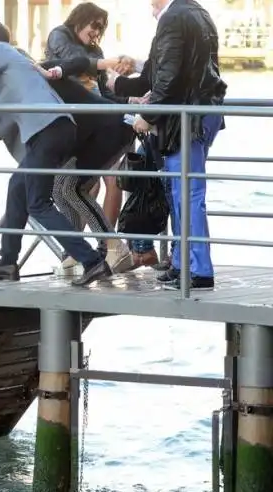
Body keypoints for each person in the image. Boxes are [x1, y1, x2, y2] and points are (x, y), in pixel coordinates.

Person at [0, 20, 110, 286]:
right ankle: (8, 262)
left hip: (49, 131)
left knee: (38, 203)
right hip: (55, 130)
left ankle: (91, 260)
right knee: (17, 187)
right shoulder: (8, 71)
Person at [108, 0, 226, 290]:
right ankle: (182, 263)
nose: (150, 8)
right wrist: (120, 81)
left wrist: (147, 117)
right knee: (180, 192)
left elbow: (170, 78)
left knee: (186, 194)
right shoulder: (197, 12)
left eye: (151, 3)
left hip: (186, 120)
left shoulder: (173, 17)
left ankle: (198, 271)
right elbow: (166, 71)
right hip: (202, 114)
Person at [44, 2, 128, 233]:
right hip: (70, 121)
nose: (97, 32)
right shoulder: (60, 35)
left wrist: (130, 102)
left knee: (104, 180)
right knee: (71, 187)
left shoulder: (96, 50)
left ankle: (105, 246)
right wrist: (106, 63)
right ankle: (82, 248)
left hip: (98, 119)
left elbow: (105, 92)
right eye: (95, 25)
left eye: (102, 29)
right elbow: (74, 62)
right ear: (80, 19)